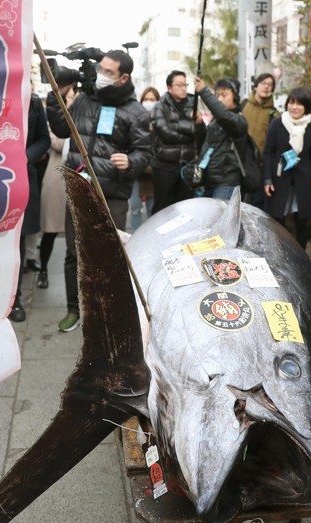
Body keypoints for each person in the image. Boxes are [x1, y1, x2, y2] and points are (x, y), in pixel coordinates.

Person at [46, 49, 151, 332]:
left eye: (108, 72)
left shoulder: (135, 111)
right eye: (100, 69)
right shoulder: (83, 100)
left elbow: (145, 152)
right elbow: (60, 128)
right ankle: (74, 309)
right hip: (78, 188)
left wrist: (130, 161)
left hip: (112, 194)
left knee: (109, 256)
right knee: (74, 253)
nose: (100, 76)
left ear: (123, 77)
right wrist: (55, 97)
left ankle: (107, 312)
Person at [262, 87, 311, 249]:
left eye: (299, 104)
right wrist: (267, 179)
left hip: (302, 179)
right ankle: (276, 251)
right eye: (291, 102)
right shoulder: (277, 124)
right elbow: (268, 152)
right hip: (279, 177)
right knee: (276, 218)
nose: (294, 107)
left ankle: (300, 255)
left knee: (302, 219)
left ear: (307, 106)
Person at [9, 92, 50, 322]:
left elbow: (44, 139)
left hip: (22, 178)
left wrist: (26, 156)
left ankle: (15, 299)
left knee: (19, 241)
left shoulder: (33, 102)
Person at [151, 70, 206, 214]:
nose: (183, 88)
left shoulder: (193, 105)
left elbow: (201, 136)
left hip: (187, 167)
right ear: (169, 87)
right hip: (165, 167)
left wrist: (199, 124)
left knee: (185, 209)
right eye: (179, 85)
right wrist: (190, 132)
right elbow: (166, 134)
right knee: (161, 209)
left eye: (185, 85)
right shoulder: (159, 106)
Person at [193, 77, 248, 201]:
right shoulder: (215, 121)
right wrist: (199, 124)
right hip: (209, 180)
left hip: (227, 182)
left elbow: (223, 115)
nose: (219, 99)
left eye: (224, 95)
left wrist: (203, 91)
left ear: (235, 97)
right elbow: (205, 144)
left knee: (221, 219)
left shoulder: (238, 121)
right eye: (217, 95)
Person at [35, 132, 69, 289]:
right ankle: (43, 270)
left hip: (80, 178)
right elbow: (56, 143)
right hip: (57, 180)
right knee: (50, 231)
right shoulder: (56, 121)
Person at [128, 86, 160, 231]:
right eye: (146, 99)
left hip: (154, 172)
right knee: (135, 207)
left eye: (152, 100)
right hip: (137, 171)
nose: (149, 102)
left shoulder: (162, 122)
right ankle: (134, 237)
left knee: (152, 210)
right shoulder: (135, 120)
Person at [241, 72, 280, 155]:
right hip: (239, 157)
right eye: (263, 83)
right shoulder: (243, 105)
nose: (266, 87)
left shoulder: (274, 113)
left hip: (260, 160)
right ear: (256, 87)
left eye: (270, 85)